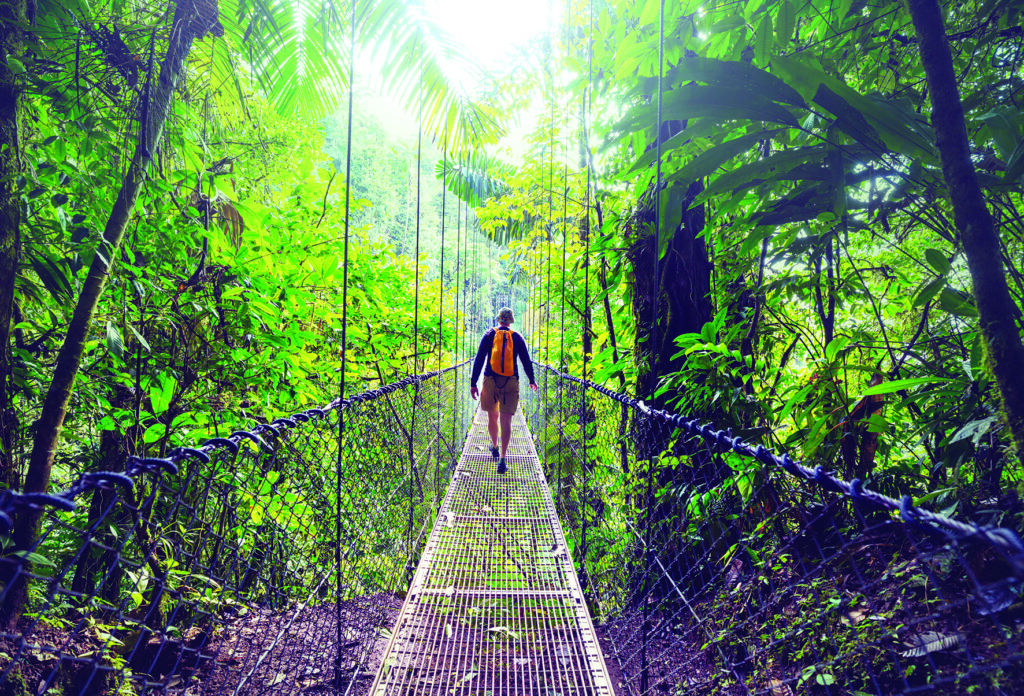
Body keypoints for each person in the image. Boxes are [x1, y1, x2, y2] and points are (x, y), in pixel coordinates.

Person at [469, 307, 538, 474]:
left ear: (498, 319)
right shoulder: (517, 337)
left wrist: (473, 383)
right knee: (506, 421)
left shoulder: (488, 335)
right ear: (511, 321)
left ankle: (494, 446)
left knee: (492, 416)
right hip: (511, 381)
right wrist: (531, 380)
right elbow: (526, 361)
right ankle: (503, 459)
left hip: (490, 380)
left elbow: (479, 359)